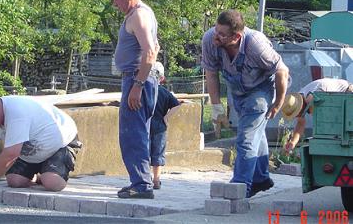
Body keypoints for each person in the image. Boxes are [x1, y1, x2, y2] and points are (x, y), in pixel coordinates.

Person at [201, 10, 289, 198]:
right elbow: (210, 73)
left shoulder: (255, 44)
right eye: (216, 30)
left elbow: (282, 70)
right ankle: (261, 178)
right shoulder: (210, 39)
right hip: (238, 91)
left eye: (222, 34)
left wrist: (278, 103)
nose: (216, 36)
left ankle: (240, 187)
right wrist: (216, 107)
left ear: (236, 36)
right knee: (256, 134)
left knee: (246, 138)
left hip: (260, 91)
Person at [0, 94, 81, 196]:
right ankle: (41, 176)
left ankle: (49, 174)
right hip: (33, 153)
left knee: (52, 183)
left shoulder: (16, 112)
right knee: (14, 181)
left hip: (61, 144)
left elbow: (11, 154)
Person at [111, 0, 159, 199]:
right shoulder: (141, 13)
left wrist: (137, 85)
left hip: (136, 79)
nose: (114, 4)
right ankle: (141, 181)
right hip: (138, 78)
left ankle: (141, 184)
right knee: (139, 133)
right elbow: (155, 48)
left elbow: (149, 51)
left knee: (133, 134)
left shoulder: (138, 14)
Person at [282, 78, 353, 153]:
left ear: (300, 107)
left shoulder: (311, 98)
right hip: (336, 95)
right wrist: (292, 142)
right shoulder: (297, 100)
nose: (297, 116)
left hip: (348, 90)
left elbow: (323, 122)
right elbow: (300, 124)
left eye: (297, 113)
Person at [150, 62, 181, 189]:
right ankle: (156, 180)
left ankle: (146, 179)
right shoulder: (165, 92)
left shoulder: (144, 91)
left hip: (145, 126)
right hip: (160, 127)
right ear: (162, 78)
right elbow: (177, 105)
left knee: (145, 153)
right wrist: (166, 117)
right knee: (158, 154)